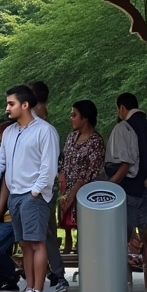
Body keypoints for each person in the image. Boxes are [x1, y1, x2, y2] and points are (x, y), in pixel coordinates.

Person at [0, 85, 59, 292]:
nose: (7, 108)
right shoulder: (10, 132)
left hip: (34, 196)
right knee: (25, 243)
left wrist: (35, 191)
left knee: (37, 242)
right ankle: (29, 290)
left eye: (11, 104)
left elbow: (49, 167)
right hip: (15, 195)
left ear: (25, 105)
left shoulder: (45, 130)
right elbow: (0, 160)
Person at [27, 80, 68, 292]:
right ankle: (50, 275)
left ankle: (56, 275)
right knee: (43, 231)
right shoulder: (42, 114)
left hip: (40, 184)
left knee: (44, 232)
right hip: (42, 183)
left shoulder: (38, 116)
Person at [105, 93, 147, 240]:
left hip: (127, 187)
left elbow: (125, 164)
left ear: (121, 107)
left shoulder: (123, 127)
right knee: (143, 226)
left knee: (125, 231)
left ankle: (126, 262)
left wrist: (110, 185)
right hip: (146, 185)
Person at [59, 100, 105, 250]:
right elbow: (64, 159)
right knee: (66, 219)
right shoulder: (71, 137)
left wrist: (75, 191)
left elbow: (91, 170)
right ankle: (67, 241)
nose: (71, 118)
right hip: (67, 185)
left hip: (85, 190)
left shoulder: (96, 141)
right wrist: (62, 180)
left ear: (85, 117)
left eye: (74, 115)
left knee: (84, 225)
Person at [0, 119, 20, 291]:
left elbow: (5, 188)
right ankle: (10, 276)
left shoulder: (14, 155)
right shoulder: (4, 156)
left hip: (9, 214)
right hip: (5, 214)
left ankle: (12, 276)